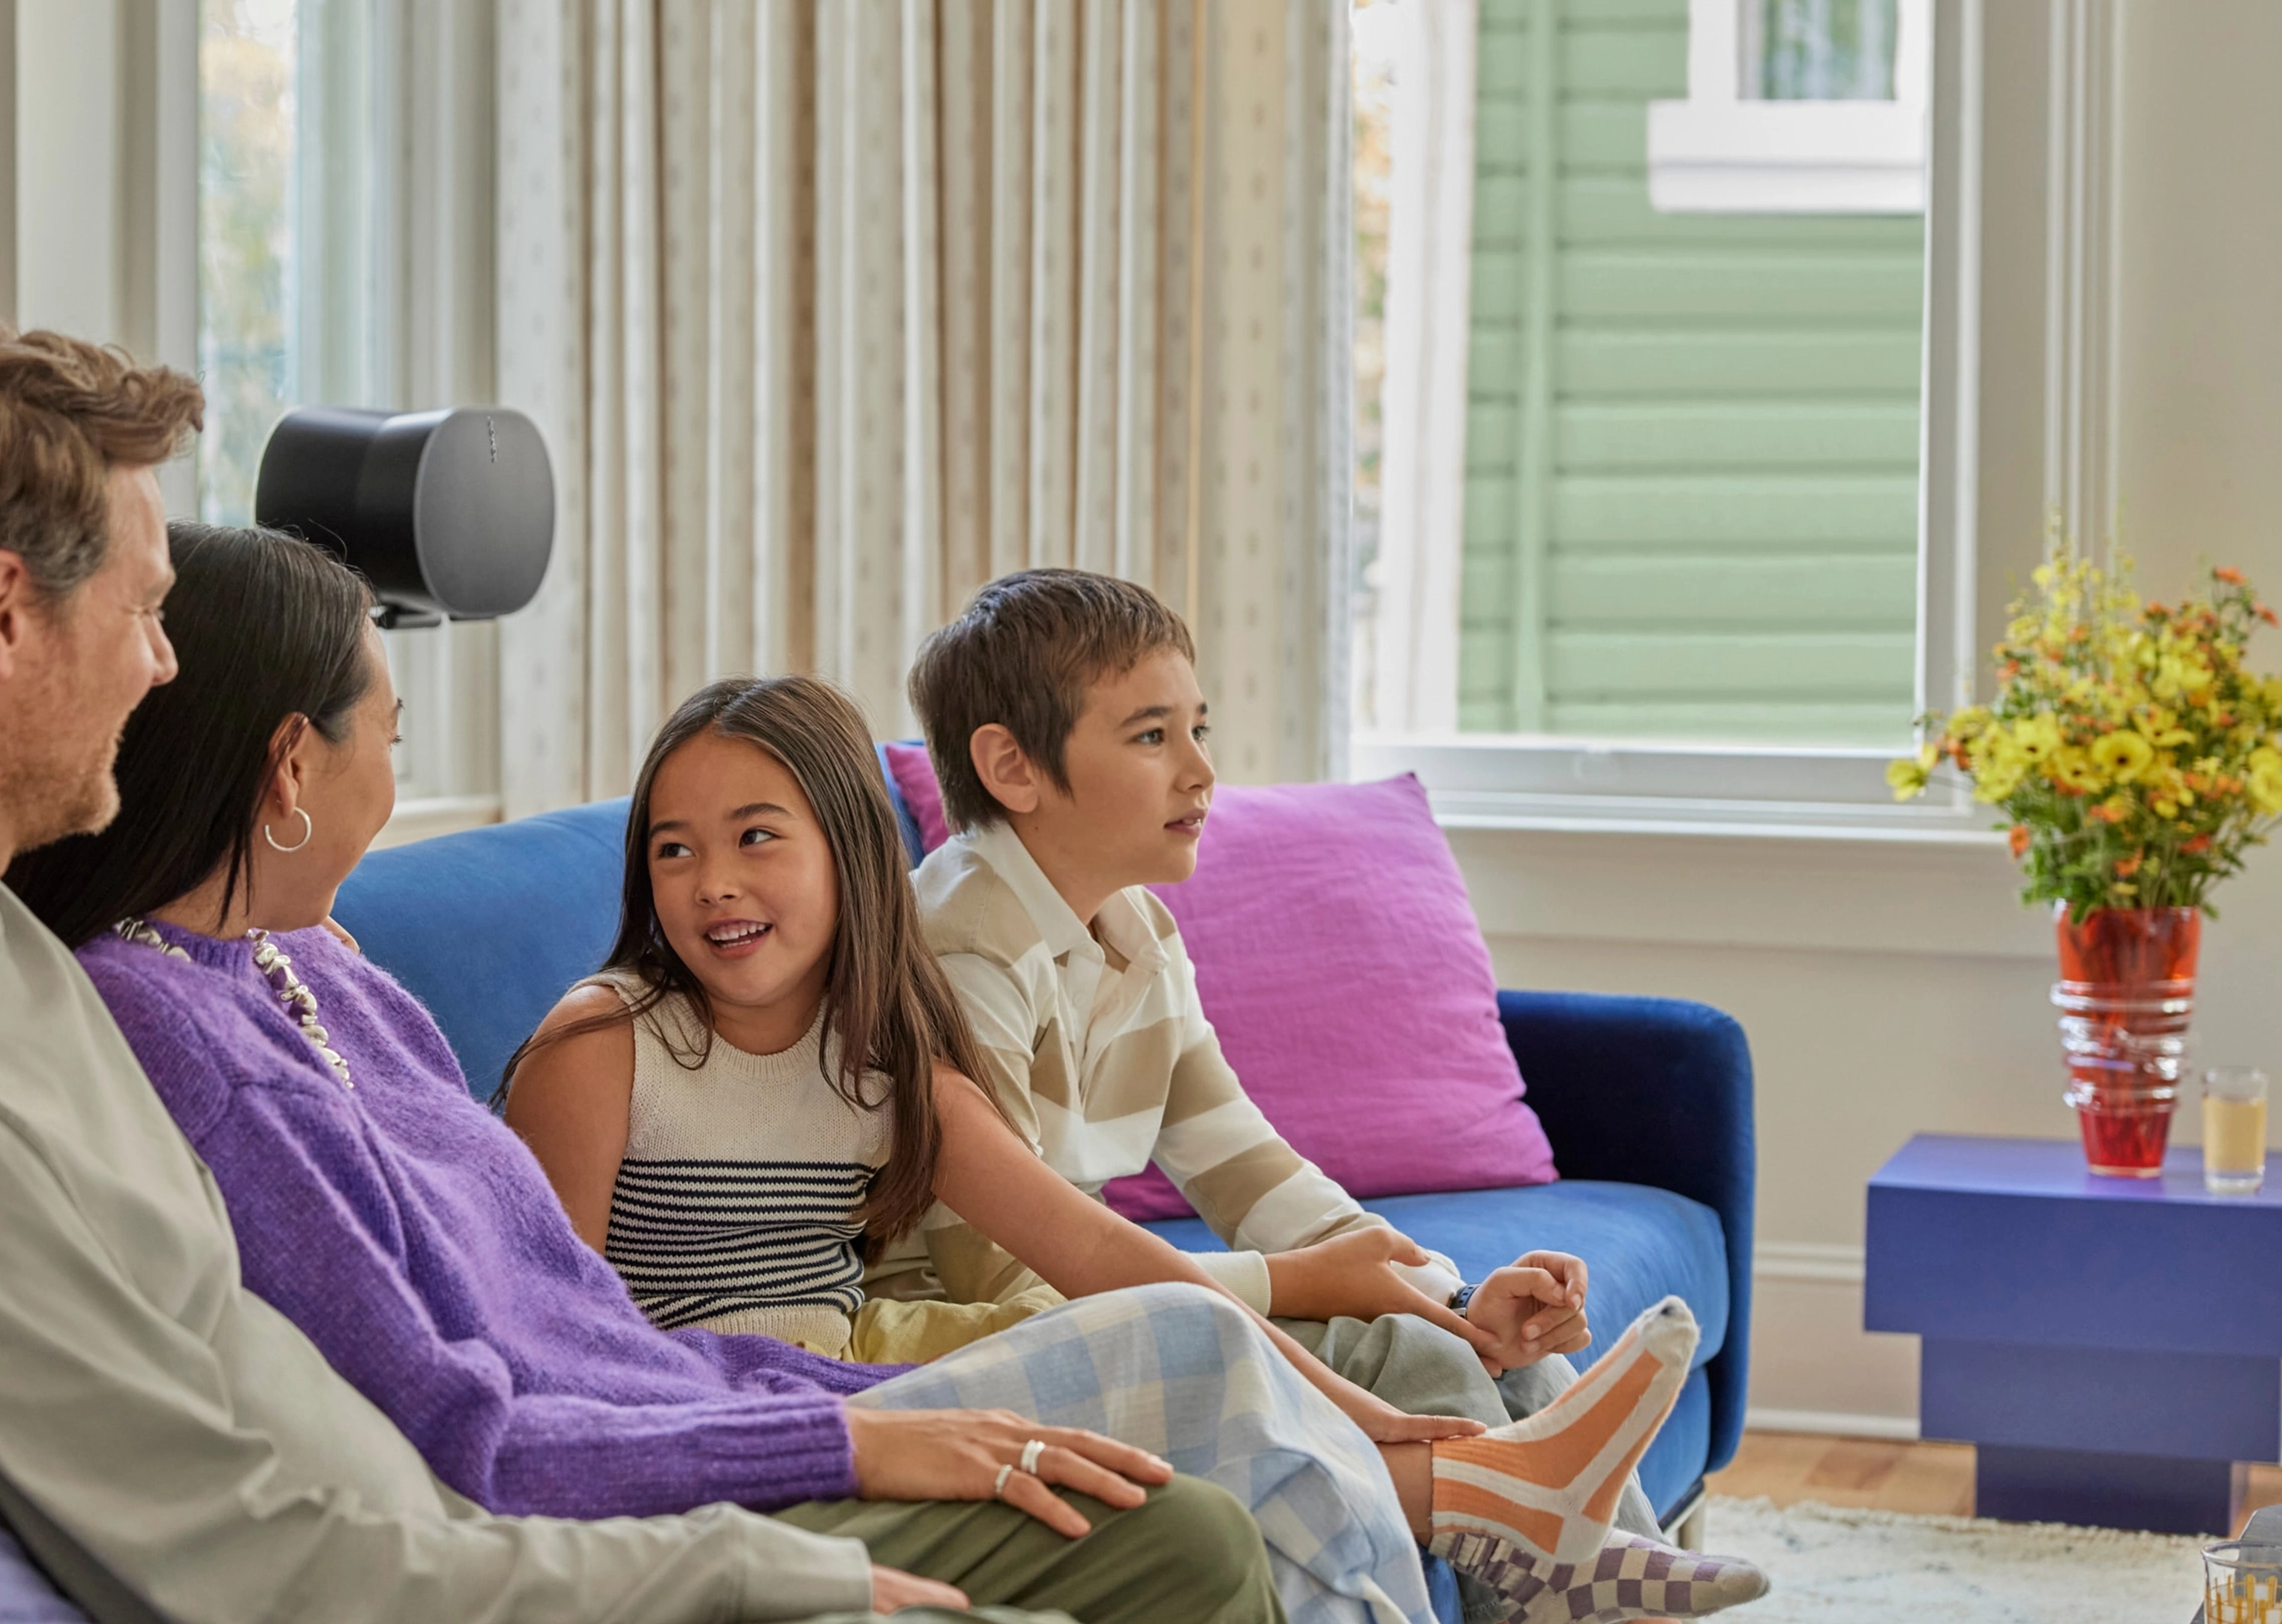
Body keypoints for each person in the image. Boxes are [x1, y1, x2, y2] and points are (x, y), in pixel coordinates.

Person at [0, 313, 1277, 1624]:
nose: (166, 668)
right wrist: (771, 1565)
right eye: (146, 609)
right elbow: (254, 1547)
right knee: (1176, 1549)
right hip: (472, 1560)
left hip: (504, 1505)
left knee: (1169, 1514)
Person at [503, 675, 1765, 1624]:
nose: (713, 882)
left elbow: (1096, 1248)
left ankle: (1523, 1511)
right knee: (1201, 1348)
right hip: (736, 1401)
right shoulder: (609, 1044)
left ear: (849, 849)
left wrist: (1368, 1399)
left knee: (1209, 1331)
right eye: (676, 850)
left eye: (756, 837)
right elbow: (546, 1336)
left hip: (859, 1361)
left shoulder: (882, 1050)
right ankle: (1511, 1503)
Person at [898, 569, 1680, 1619]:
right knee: (1397, 1353)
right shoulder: (961, 946)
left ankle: (1631, 1595)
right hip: (974, 1337)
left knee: (1486, 1357)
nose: (1202, 771)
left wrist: (1453, 1296)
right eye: (1150, 737)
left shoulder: (1138, 936)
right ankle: (1564, 1589)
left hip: (1096, 1304)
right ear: (1013, 768)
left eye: (1199, 728)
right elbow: (1003, 1270)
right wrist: (1315, 1286)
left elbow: (1254, 1172)